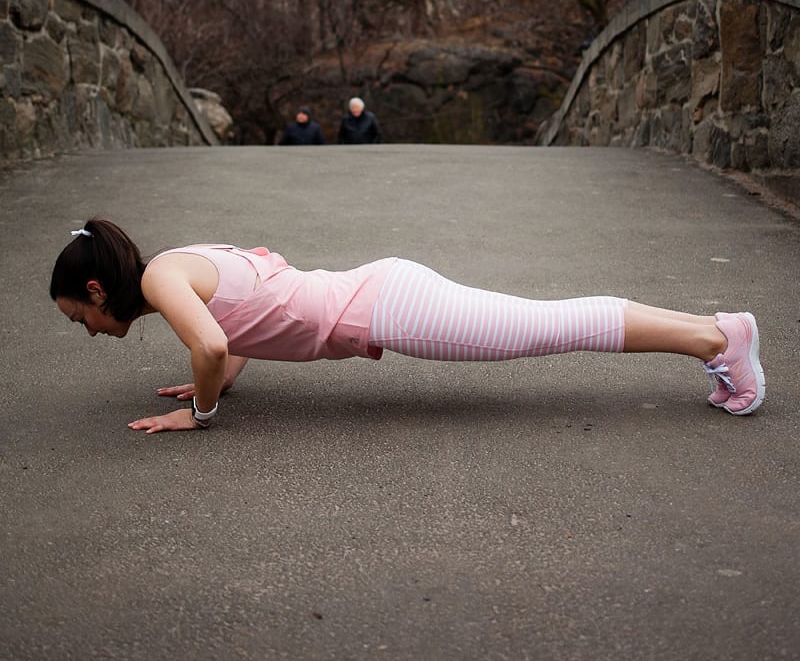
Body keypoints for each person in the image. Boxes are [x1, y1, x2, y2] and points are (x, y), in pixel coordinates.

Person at [49, 219, 766, 434]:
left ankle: (717, 340)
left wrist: (201, 414)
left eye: (78, 316)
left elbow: (211, 339)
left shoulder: (158, 281)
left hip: (388, 306)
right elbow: (238, 324)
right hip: (382, 290)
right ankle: (720, 330)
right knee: (547, 324)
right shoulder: (176, 263)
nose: (85, 329)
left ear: (93, 288)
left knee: (549, 327)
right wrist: (219, 380)